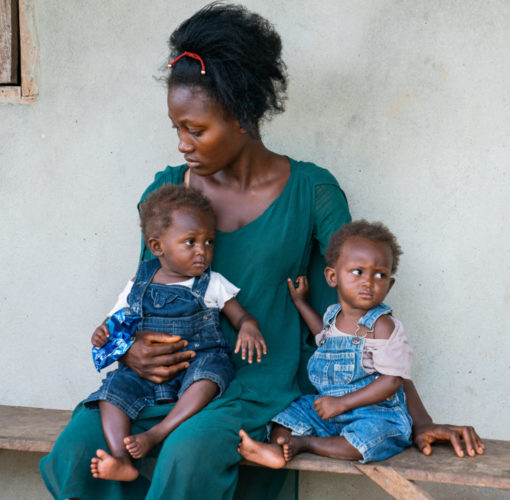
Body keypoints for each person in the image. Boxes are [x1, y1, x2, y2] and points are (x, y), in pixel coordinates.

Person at [40, 3, 483, 499]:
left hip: (259, 388)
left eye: (197, 129)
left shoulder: (312, 193)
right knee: (78, 448)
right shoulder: (165, 197)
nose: (183, 144)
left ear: (243, 116)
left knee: (190, 453)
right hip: (164, 384)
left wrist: (417, 419)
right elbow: (141, 299)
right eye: (177, 128)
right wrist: (129, 350)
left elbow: (361, 312)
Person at [86, 184, 266, 482]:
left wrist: (249, 326)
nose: (203, 251)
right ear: (158, 247)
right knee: (111, 392)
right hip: (145, 373)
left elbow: (240, 315)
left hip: (196, 362)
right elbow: (115, 322)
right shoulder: (138, 282)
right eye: (190, 242)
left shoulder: (211, 283)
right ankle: (121, 458)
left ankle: (158, 433)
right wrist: (101, 332)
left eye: (209, 242)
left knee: (210, 376)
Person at [239, 220, 413, 466]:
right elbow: (322, 335)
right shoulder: (333, 315)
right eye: (357, 271)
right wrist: (300, 303)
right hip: (330, 408)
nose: (368, 282)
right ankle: (277, 449)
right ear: (332, 277)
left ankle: (305, 444)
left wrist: (343, 403)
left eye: (380, 275)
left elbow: (392, 380)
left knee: (374, 435)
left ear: (390, 284)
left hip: (372, 412)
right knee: (289, 412)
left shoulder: (383, 326)